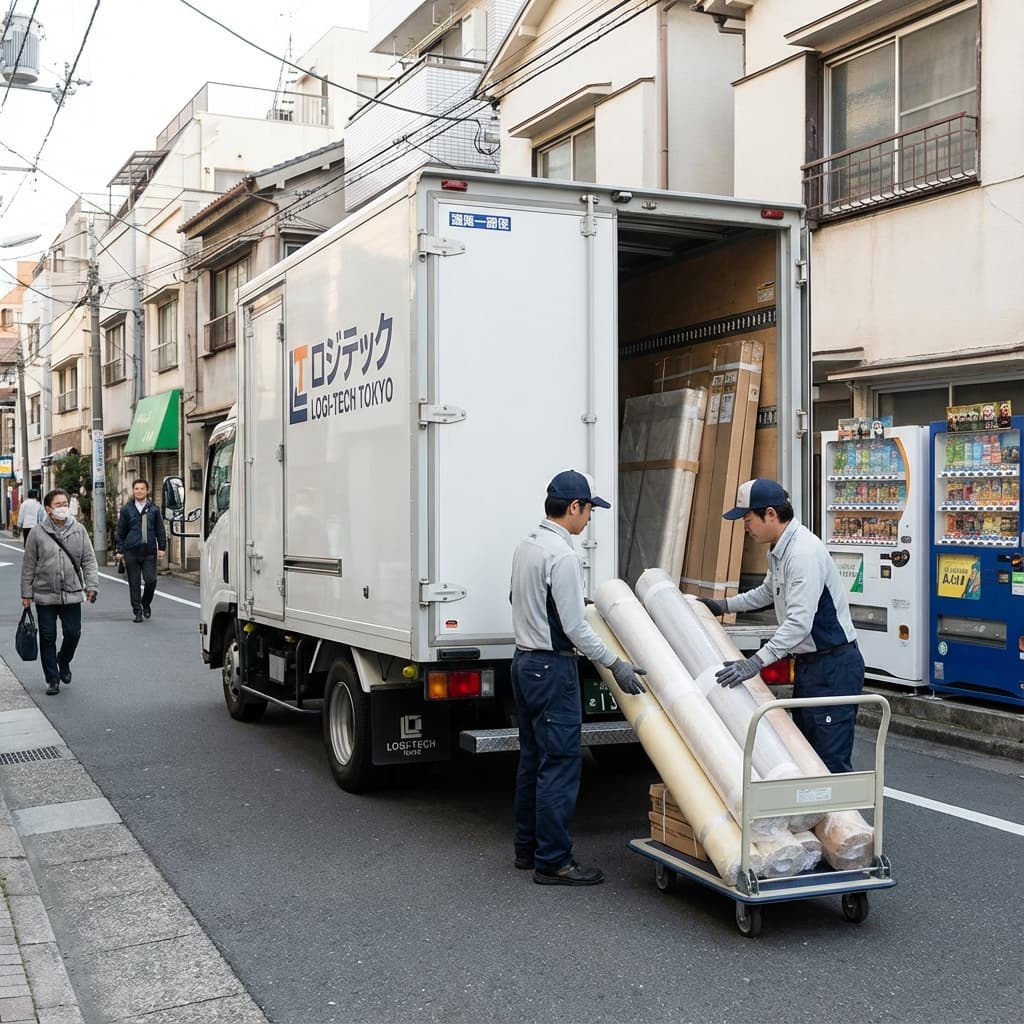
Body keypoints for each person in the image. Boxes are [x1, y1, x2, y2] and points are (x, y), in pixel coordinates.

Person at [510, 469, 646, 887]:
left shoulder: (527, 546)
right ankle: (554, 862)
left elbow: (521, 599)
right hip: (553, 669)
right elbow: (576, 629)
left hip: (523, 663)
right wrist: (615, 664)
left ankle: (527, 850)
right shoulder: (564, 556)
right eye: (588, 510)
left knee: (532, 760)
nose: (589, 518)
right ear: (573, 508)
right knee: (561, 766)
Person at [699, 478, 864, 773]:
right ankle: (817, 820)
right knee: (805, 756)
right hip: (811, 666)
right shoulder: (780, 548)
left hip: (833, 666)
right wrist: (723, 606)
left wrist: (755, 663)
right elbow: (766, 592)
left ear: (771, 514)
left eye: (748, 519)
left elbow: (799, 624)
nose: (745, 527)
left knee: (830, 761)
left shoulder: (802, 554)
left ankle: (845, 821)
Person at [21, 488, 99, 696]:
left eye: (65, 503)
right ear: (48, 509)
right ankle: (52, 679)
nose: (63, 507)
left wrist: (92, 585)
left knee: (73, 633)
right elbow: (29, 565)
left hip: (72, 592)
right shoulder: (37, 533)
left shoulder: (79, 530)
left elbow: (89, 560)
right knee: (47, 636)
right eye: (58, 504)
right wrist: (26, 594)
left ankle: (63, 660)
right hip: (45, 594)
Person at [115, 479, 167, 623]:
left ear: (147, 490)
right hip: (131, 550)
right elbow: (121, 531)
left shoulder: (154, 509)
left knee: (151, 580)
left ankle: (146, 603)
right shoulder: (127, 509)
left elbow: (160, 529)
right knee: (134, 582)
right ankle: (137, 611)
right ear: (133, 491)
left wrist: (162, 547)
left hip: (149, 550)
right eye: (136, 488)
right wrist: (119, 550)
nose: (139, 491)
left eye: (142, 488)